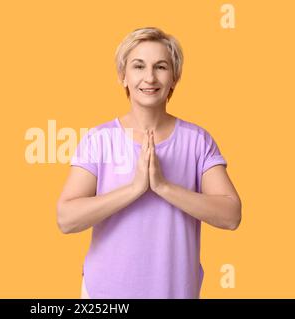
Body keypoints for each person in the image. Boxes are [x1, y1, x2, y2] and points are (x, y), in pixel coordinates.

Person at [56, 27, 242, 299]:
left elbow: (231, 215)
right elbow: (66, 219)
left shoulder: (197, 141)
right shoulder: (99, 140)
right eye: (138, 66)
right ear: (123, 76)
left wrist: (164, 187)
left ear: (174, 78)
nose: (150, 77)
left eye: (161, 67)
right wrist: (134, 189)